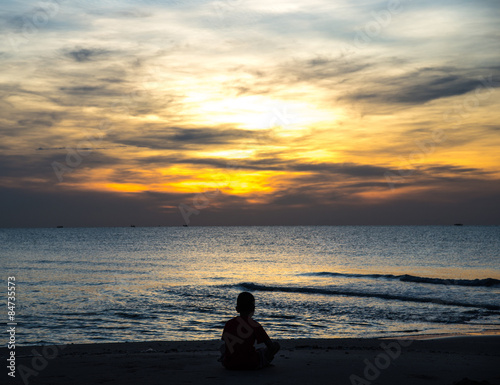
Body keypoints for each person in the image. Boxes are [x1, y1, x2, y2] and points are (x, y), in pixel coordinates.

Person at [220, 292, 280, 370]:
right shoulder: (255, 325)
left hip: (230, 364)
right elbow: (270, 346)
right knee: (276, 345)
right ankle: (265, 362)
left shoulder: (228, 323)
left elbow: (227, 344)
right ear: (253, 309)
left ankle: (225, 359)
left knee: (223, 347)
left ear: (237, 309)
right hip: (251, 364)